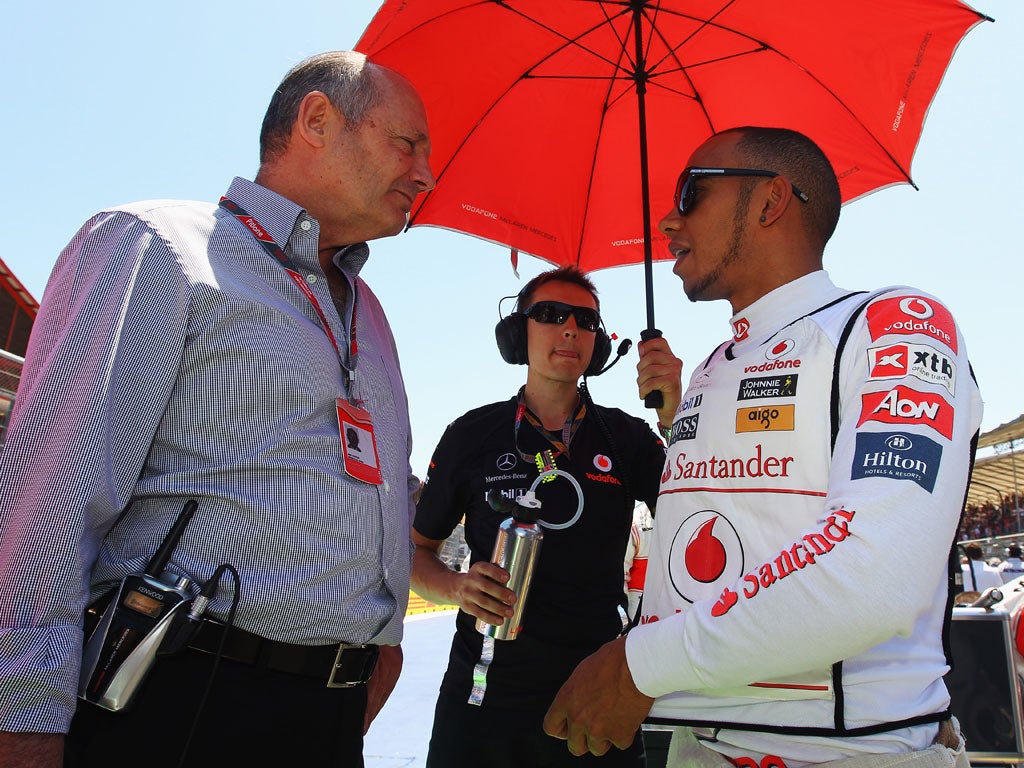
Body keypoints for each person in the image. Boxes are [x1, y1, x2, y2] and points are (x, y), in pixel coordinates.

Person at [0, 50, 434, 768]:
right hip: (183, 703)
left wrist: (375, 653)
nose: (423, 173)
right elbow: (49, 501)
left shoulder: (370, 314)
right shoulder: (157, 248)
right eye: (407, 144)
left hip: (330, 718)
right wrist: (20, 721)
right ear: (318, 120)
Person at [543, 126, 983, 768]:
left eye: (691, 192)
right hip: (696, 740)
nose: (667, 219)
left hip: (851, 753)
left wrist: (636, 665)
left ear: (772, 201)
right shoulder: (710, 368)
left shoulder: (895, 325)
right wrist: (677, 421)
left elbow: (872, 573)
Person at [410, 266, 682, 767]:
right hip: (484, 702)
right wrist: (456, 589)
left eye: (586, 320)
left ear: (598, 345)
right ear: (518, 332)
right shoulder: (471, 435)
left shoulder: (629, 440)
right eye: (551, 314)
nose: (570, 329)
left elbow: (700, 507)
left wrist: (674, 415)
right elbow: (416, 553)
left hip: (596, 697)